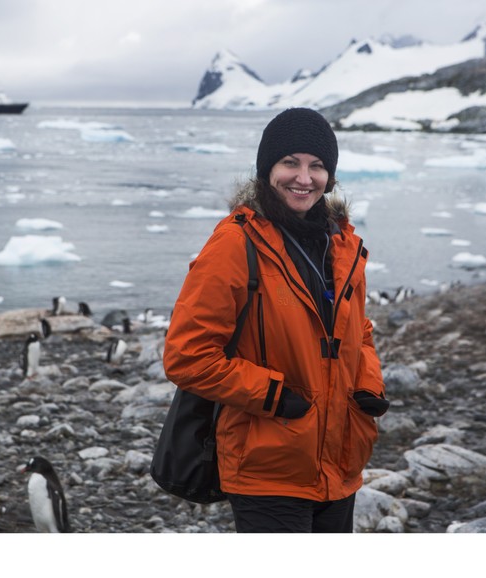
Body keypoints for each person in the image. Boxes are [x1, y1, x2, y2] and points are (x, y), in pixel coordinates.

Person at [162, 107, 389, 533]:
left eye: (317, 166)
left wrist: (368, 386)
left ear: (330, 177)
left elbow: (358, 330)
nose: (304, 178)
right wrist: (272, 395)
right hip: (268, 464)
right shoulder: (235, 243)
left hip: (340, 460)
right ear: (267, 169)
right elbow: (186, 356)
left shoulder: (342, 244)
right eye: (290, 163)